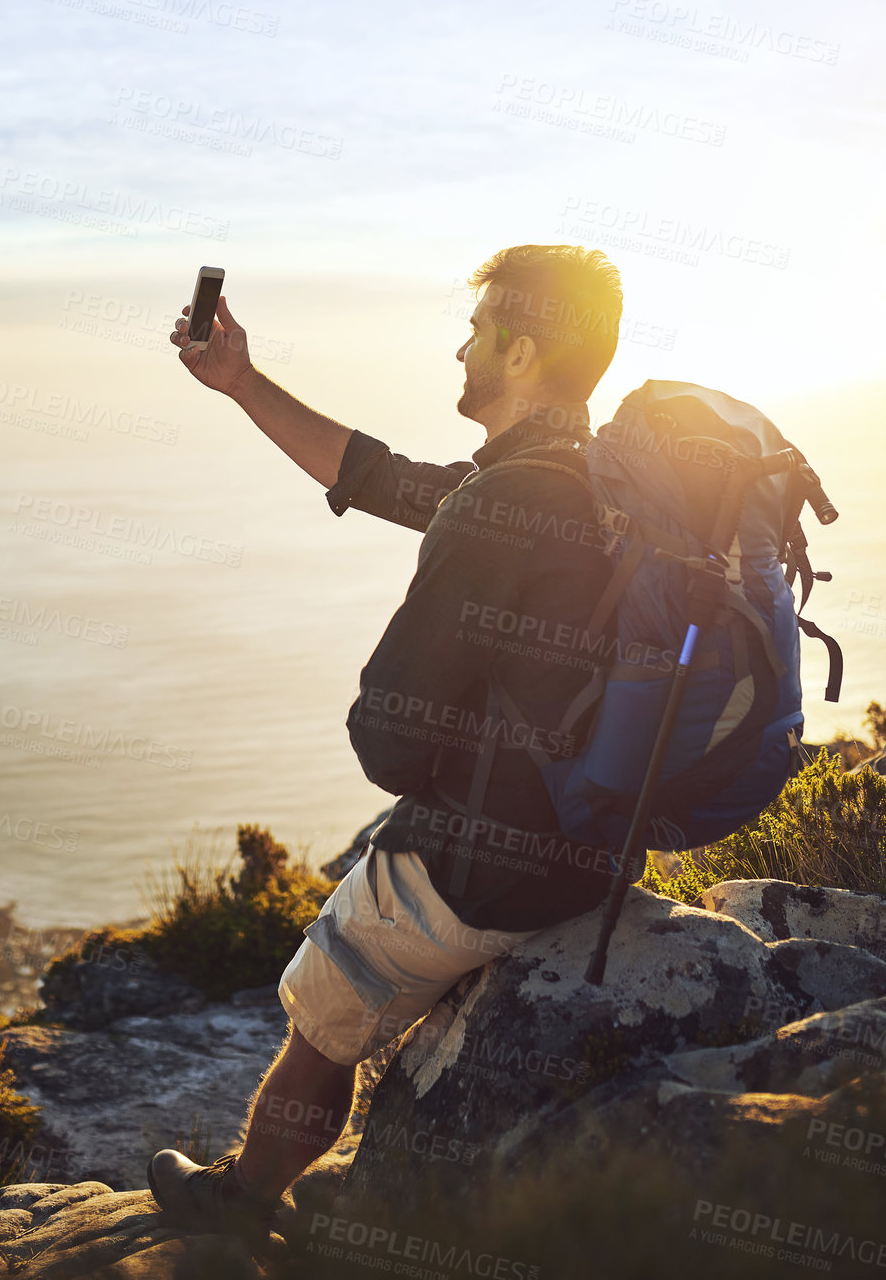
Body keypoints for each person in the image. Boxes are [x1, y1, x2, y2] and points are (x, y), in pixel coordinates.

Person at [147, 244, 624, 1247]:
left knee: (324, 1006)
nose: (460, 346)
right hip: (599, 849)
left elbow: (389, 740)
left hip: (483, 869)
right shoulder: (591, 482)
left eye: (478, 327)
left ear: (522, 348)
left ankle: (240, 1204)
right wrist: (239, 382)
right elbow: (385, 479)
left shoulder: (496, 505)